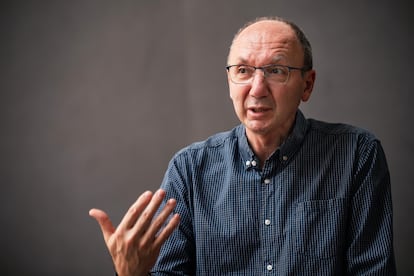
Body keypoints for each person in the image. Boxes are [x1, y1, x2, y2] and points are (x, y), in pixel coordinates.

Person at [89, 16, 396, 275]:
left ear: (307, 84)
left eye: (276, 70)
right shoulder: (190, 169)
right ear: (230, 83)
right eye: (243, 71)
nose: (257, 89)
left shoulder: (357, 154)